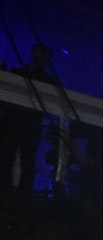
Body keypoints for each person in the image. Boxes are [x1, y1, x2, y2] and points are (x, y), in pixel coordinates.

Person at [0, 43, 58, 191]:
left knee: (26, 158)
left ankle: (22, 190)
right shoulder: (19, 73)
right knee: (8, 156)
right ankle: (8, 187)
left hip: (27, 123)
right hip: (13, 121)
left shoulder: (45, 80)